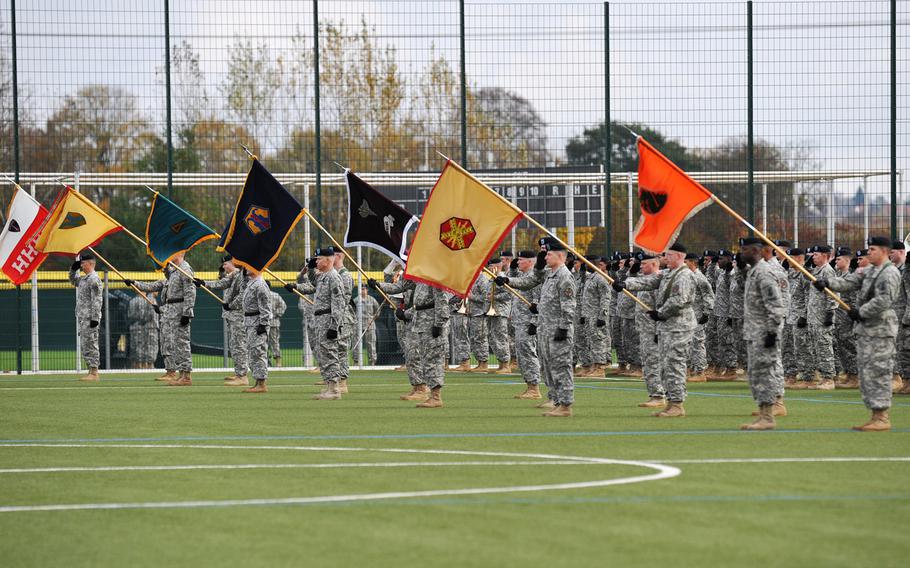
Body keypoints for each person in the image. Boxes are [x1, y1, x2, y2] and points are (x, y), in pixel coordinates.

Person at [815, 236, 901, 431]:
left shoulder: (890, 273)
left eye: (872, 249)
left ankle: (882, 416)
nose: (868, 252)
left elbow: (884, 300)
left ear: (885, 252)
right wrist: (826, 283)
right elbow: (849, 282)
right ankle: (874, 414)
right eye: (868, 249)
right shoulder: (869, 271)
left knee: (879, 371)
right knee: (867, 372)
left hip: (880, 330)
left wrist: (860, 311)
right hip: (866, 329)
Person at [616, 242, 697, 417]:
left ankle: (677, 404)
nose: (664, 258)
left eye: (667, 255)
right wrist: (625, 284)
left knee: (674, 365)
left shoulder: (683, 276)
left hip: (678, 327)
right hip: (667, 327)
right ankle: (670, 402)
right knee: (666, 366)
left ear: (678, 256)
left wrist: (661, 313)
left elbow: (679, 300)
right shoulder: (669, 274)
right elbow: (649, 281)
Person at [500, 242, 576, 417]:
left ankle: (565, 405)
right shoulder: (550, 275)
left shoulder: (565, 276)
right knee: (549, 367)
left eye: (549, 255)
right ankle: (556, 401)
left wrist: (563, 328)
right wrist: (508, 280)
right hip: (546, 328)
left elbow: (569, 306)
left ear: (561, 257)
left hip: (558, 329)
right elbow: (529, 281)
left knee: (561, 366)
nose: (545, 257)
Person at [370, 276, 450, 407]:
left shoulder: (435, 278)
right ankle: (428, 393)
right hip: (420, 323)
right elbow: (419, 305)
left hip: (432, 325)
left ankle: (435, 397)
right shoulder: (421, 279)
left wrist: (438, 324)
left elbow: (442, 302)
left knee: (433, 359)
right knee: (424, 359)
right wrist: (405, 314)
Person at [126, 252, 197, 386]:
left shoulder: (185, 270)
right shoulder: (173, 274)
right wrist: (134, 283)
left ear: (180, 253)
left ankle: (186, 376)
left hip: (179, 311)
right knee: (173, 343)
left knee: (182, 343)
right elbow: (152, 286)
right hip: (170, 312)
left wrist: (187, 313)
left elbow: (190, 292)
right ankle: (179, 374)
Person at [738, 237, 787, 430]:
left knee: (765, 373)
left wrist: (772, 333)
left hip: (764, 333)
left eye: (746, 250)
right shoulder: (753, 272)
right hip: (753, 333)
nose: (742, 253)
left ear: (757, 251)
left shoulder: (764, 273)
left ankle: (768, 417)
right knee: (756, 374)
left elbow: (775, 306)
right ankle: (763, 413)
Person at [287, 247, 347, 399]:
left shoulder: (333, 277)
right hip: (320, 319)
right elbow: (312, 285)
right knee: (323, 354)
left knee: (330, 354)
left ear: (328, 260)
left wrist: (334, 326)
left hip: (328, 319)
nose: (316, 261)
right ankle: (329, 387)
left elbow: (339, 304)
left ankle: (334, 390)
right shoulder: (324, 276)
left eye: (319, 259)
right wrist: (295, 287)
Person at [198, 255, 249, 386]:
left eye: (226, 264)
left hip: (238, 315)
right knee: (234, 345)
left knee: (239, 345)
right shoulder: (233, 276)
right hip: (231, 315)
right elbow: (221, 283)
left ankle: (243, 376)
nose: (223, 266)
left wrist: (230, 305)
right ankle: (239, 373)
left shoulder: (242, 275)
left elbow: (242, 295)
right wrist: (204, 283)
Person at [499, 250, 543, 399]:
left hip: (528, 323)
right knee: (522, 355)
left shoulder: (535, 277)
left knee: (528, 353)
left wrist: (534, 323)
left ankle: (534, 387)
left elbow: (538, 301)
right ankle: (529, 385)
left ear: (530, 261)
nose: (517, 263)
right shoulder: (523, 276)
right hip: (520, 322)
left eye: (521, 260)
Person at [631, 253, 665, 407]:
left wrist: (658, 331)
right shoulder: (646, 281)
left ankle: (659, 395)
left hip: (653, 330)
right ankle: (653, 394)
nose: (641, 266)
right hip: (644, 329)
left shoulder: (658, 282)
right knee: (648, 362)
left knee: (654, 362)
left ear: (653, 265)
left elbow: (661, 308)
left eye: (644, 264)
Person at [69, 250, 103, 382]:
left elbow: (97, 300)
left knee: (91, 344)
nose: (81, 265)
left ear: (90, 264)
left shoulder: (94, 279)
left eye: (83, 263)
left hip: (90, 318)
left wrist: (94, 318)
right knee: (85, 344)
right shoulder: (84, 279)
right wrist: (73, 269)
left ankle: (94, 372)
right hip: (84, 318)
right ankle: (90, 371)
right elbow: (73, 281)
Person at [242, 267, 272, 393]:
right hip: (250, 321)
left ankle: (261, 383)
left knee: (258, 352)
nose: (245, 267)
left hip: (257, 321)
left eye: (248, 266)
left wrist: (263, 324)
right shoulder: (251, 282)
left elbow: (266, 307)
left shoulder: (260, 285)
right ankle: (257, 381)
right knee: (253, 352)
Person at [686, 252, 715, 382]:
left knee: (697, 343)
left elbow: (708, 295)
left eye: (685, 262)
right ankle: (691, 368)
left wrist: (706, 312)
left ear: (692, 262)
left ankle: (700, 371)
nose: (683, 264)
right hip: (688, 316)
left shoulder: (699, 277)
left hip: (698, 316)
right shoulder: (687, 276)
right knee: (688, 343)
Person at [833, 247, 859, 388]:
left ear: (847, 260)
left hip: (847, 316)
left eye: (839, 259)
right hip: (838, 317)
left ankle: (855, 376)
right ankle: (848, 373)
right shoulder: (837, 276)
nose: (836, 261)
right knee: (841, 345)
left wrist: (852, 316)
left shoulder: (851, 277)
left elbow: (854, 300)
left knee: (850, 345)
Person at [128, 290, 159, 369]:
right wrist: (143, 322)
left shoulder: (132, 301)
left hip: (134, 325)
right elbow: (145, 315)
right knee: (148, 346)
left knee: (135, 346)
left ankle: (137, 365)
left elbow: (129, 315)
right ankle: (147, 365)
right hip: (148, 326)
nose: (157, 292)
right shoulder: (148, 300)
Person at [354, 286, 381, 365]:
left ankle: (372, 361)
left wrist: (373, 318)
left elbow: (378, 310)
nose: (363, 291)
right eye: (361, 289)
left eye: (364, 289)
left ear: (367, 290)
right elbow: (351, 310)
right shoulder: (356, 300)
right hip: (358, 324)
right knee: (356, 342)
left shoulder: (372, 299)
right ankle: (356, 361)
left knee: (371, 342)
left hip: (369, 324)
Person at [268, 288, 287, 367]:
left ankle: (278, 362)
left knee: (274, 342)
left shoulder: (275, 295)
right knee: (271, 342)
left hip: (273, 323)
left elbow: (283, 306)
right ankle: (267, 362)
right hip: (262, 322)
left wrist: (275, 314)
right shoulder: (275, 295)